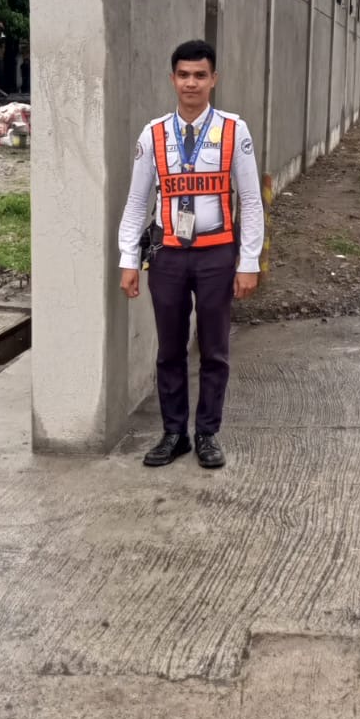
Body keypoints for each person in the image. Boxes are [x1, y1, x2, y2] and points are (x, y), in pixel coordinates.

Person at [117, 38, 264, 470]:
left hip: (217, 255)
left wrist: (249, 261)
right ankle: (174, 432)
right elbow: (135, 201)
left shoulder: (234, 131)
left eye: (200, 75)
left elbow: (251, 201)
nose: (191, 83)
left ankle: (208, 434)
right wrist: (128, 259)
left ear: (213, 79)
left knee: (215, 350)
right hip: (168, 257)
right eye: (184, 75)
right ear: (172, 79)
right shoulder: (154, 134)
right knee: (169, 350)